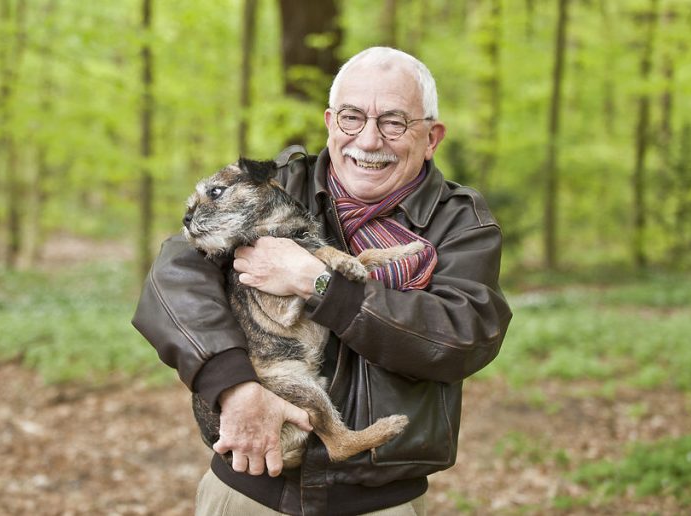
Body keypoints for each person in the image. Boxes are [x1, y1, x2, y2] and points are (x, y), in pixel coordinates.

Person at [132, 47, 512, 515]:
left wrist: (320, 285)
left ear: (432, 137)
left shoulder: (460, 222)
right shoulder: (276, 186)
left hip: (378, 503)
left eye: (394, 122)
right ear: (331, 122)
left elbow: (462, 336)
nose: (369, 140)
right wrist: (235, 386)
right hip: (249, 488)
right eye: (352, 117)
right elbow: (174, 274)